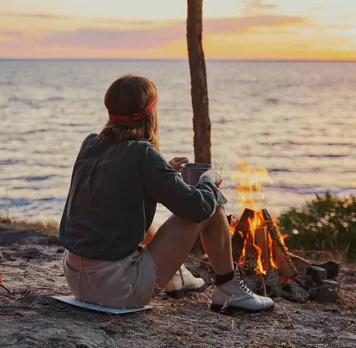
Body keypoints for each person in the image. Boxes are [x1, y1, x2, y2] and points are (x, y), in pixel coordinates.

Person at [59, 75, 274, 314]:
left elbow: (118, 186)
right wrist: (209, 180)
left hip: (77, 281)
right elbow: (197, 208)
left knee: (137, 210)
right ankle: (229, 288)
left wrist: (164, 172)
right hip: (118, 290)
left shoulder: (90, 143)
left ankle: (176, 277)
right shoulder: (142, 153)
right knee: (213, 208)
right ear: (149, 111)